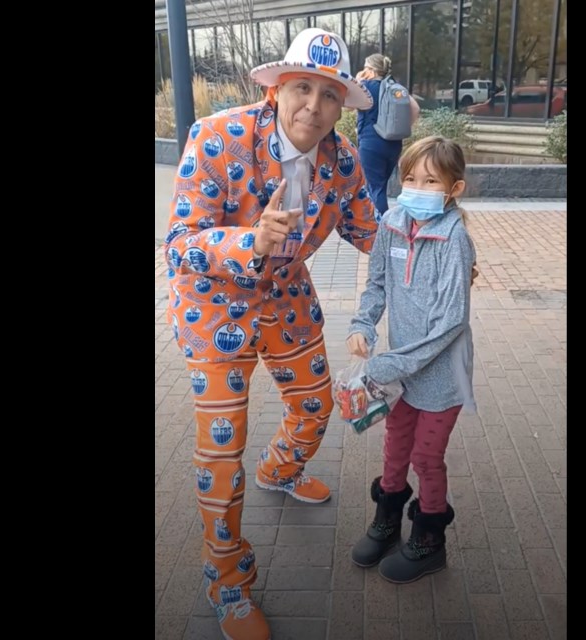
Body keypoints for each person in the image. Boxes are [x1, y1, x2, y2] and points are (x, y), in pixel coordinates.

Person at [162, 28, 378, 640]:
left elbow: (370, 232)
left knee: (316, 404)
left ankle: (280, 469)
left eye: (330, 94)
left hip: (285, 296)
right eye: (302, 87)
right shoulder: (217, 136)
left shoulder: (342, 160)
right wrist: (249, 239)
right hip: (214, 308)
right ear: (279, 88)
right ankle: (228, 581)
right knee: (222, 454)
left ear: (342, 105)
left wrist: (439, 247)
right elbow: (179, 246)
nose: (314, 105)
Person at [345, 135, 476, 583]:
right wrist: (363, 324)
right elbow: (377, 282)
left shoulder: (454, 239)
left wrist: (393, 364)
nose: (416, 187)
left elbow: (451, 322)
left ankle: (429, 539)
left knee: (426, 456)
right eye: (410, 178)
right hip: (401, 373)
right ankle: (387, 520)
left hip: (442, 378)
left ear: (453, 189)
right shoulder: (393, 223)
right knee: (395, 447)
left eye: (430, 180)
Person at [355, 54, 420, 219]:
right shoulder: (394, 87)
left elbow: (347, 105)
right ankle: (381, 225)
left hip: (371, 144)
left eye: (365, 68)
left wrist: (357, 81)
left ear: (370, 70)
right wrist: (399, 128)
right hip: (393, 143)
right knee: (381, 186)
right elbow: (415, 109)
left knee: (376, 188)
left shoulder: (365, 87)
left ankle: (381, 229)